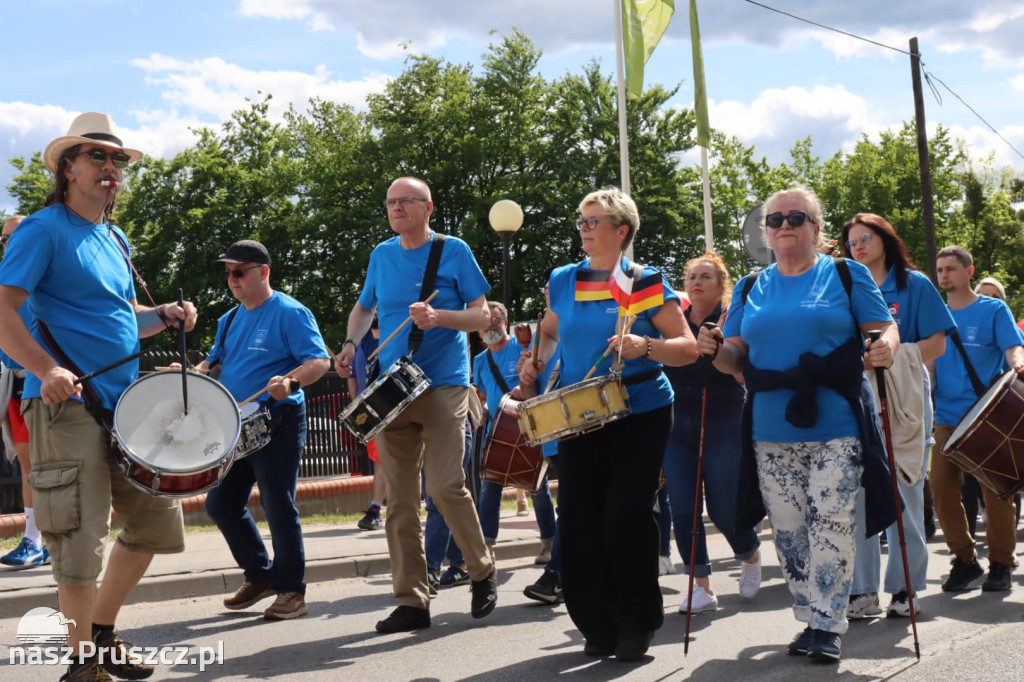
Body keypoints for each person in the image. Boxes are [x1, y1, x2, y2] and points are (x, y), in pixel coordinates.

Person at [0, 112, 197, 682]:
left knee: (156, 524)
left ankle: (102, 636)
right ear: (68, 168)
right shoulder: (43, 229)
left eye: (117, 160)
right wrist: (46, 368)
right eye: (96, 158)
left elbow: (118, 322)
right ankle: (82, 665)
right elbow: (4, 309)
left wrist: (161, 316)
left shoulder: (114, 236)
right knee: (79, 541)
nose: (111, 168)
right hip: (65, 407)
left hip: (124, 406)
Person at [699, 186, 898, 663]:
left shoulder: (846, 275)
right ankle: (810, 613)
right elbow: (733, 358)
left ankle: (829, 624)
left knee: (831, 519)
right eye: (775, 220)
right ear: (765, 231)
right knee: (788, 528)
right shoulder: (749, 287)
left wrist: (886, 345)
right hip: (769, 427)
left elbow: (882, 329)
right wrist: (712, 350)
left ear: (816, 228)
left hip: (838, 423)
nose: (784, 226)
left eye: (795, 217)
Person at [519, 187, 697, 662]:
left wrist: (646, 346)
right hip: (581, 413)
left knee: (624, 514)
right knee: (577, 517)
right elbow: (550, 328)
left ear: (621, 230)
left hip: (641, 409)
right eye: (581, 220)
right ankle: (595, 623)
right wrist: (533, 361)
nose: (584, 228)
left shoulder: (644, 281)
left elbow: (688, 347)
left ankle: (637, 622)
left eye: (594, 221)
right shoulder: (562, 279)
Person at [335, 176, 497, 634]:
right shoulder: (381, 255)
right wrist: (350, 344)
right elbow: (364, 309)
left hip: (445, 383)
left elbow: (483, 315)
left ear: (428, 207)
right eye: (390, 202)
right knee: (399, 502)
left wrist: (439, 317)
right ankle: (413, 601)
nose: (396, 208)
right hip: (393, 389)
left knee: (446, 486)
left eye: (405, 201)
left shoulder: (454, 250)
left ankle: (481, 570)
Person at [193, 240, 330, 621]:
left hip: (278, 421)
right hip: (237, 425)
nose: (232, 280)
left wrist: (291, 382)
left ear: (263, 271)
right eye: (228, 273)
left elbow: (319, 360)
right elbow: (213, 361)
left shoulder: (289, 312)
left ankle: (291, 592)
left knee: (277, 505)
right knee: (220, 504)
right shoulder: (230, 319)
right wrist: (192, 374)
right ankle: (260, 574)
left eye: (239, 272)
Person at [840, 213, 953, 618]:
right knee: (859, 493)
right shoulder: (844, 285)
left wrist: (893, 359)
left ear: (886, 239)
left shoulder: (915, 284)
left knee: (905, 487)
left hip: (904, 394)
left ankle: (906, 587)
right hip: (857, 395)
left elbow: (937, 344)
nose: (859, 247)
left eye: (866, 238)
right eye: (852, 242)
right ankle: (863, 589)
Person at [663, 253, 762, 615]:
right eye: (691, 276)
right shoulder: (673, 324)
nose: (696, 282)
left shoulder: (734, 320)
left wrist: (720, 349)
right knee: (684, 509)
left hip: (723, 421)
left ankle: (748, 552)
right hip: (678, 426)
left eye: (705, 276)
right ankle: (700, 585)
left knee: (723, 508)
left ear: (722, 285)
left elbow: (743, 374)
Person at [931, 246, 1023, 593]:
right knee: (939, 485)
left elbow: (1013, 346)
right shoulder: (934, 315)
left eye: (951, 269)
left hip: (989, 414)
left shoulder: (993, 309)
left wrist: (1019, 362)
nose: (944, 275)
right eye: (940, 270)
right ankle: (966, 560)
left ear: (969, 272)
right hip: (948, 417)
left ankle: (1001, 563)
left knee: (997, 491)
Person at [474, 301, 556, 565]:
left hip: (528, 426)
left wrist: (525, 383)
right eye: (486, 321)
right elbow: (483, 396)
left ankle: (549, 543)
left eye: (495, 320)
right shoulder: (479, 360)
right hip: (497, 432)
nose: (490, 325)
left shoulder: (523, 348)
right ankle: (487, 546)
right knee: (490, 488)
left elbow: (540, 379)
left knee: (537, 488)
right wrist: (481, 410)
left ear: (505, 323)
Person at [0, 214, 49, 568]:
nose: (8, 245)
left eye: (13, 238)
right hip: (14, 382)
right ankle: (34, 538)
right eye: (3, 240)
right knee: (27, 463)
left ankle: (40, 539)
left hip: (43, 382)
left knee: (43, 465)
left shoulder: (43, 278)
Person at [349, 317, 387, 531]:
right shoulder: (359, 341)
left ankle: (377, 508)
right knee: (379, 459)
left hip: (391, 404)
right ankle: (376, 508)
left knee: (399, 460)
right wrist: (356, 406)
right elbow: (353, 375)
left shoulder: (392, 330)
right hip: (370, 408)